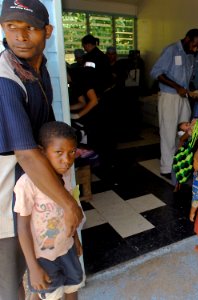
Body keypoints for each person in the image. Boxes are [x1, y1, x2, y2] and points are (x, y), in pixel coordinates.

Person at [0, 1, 83, 298]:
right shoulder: (5, 79)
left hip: (38, 182)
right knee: (12, 280)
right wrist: (70, 205)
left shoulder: (38, 65)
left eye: (30, 28)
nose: (20, 36)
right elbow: (25, 153)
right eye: (11, 27)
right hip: (9, 188)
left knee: (44, 264)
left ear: (47, 31)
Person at [14, 121, 85, 300]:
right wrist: (33, 267)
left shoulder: (66, 176)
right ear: (42, 152)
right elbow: (22, 228)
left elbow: (70, 212)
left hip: (67, 248)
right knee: (48, 294)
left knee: (72, 287)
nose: (67, 160)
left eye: (72, 152)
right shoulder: (27, 184)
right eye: (59, 152)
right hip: (44, 257)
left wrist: (75, 238)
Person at [150, 28, 198, 178]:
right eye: (194, 45)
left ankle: (179, 162)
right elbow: (156, 72)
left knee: (184, 131)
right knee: (168, 131)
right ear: (187, 39)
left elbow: (187, 79)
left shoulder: (190, 56)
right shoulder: (171, 50)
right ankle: (166, 167)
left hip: (183, 97)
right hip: (169, 96)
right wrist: (177, 87)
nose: (196, 48)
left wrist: (191, 90)